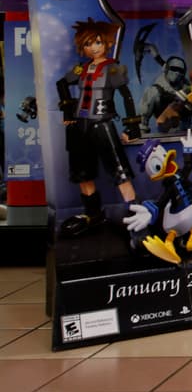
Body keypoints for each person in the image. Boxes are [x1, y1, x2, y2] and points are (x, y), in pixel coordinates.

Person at [56, 19, 143, 237]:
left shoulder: (113, 68)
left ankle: (138, 216)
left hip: (102, 124)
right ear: (82, 47)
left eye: (97, 42)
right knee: (82, 174)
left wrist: (132, 126)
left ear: (106, 43)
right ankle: (93, 214)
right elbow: (62, 83)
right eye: (88, 44)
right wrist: (68, 111)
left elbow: (126, 97)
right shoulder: (81, 68)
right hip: (80, 125)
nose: (94, 47)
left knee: (120, 173)